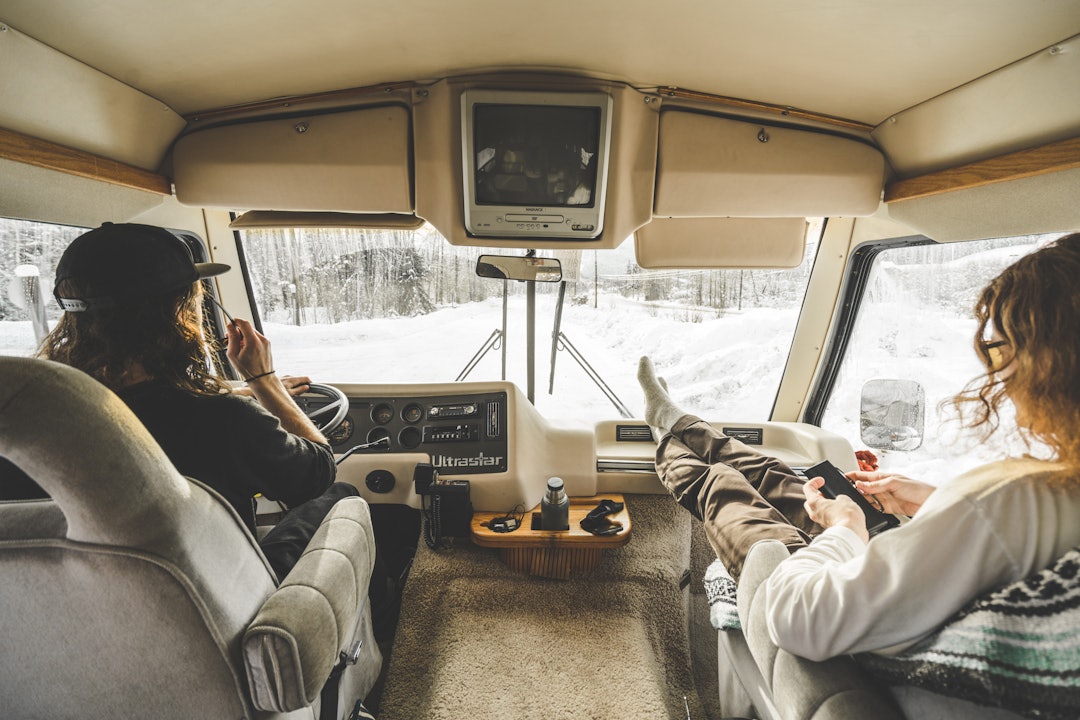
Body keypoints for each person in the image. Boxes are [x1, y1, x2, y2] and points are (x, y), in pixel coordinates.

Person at [638, 231, 1080, 661]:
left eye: (999, 350)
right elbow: (987, 541)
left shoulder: (1016, 501)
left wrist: (846, 527)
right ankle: (678, 424)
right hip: (888, 567)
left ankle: (667, 439)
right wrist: (935, 501)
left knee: (721, 483)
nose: (995, 378)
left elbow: (798, 617)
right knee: (776, 474)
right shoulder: (1053, 497)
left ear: (1054, 362)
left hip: (820, 604)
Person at [32, 221, 358, 580]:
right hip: (226, 607)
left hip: (82, 611)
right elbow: (317, 476)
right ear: (177, 309)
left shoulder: (33, 422)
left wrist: (235, 391)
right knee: (341, 496)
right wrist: (263, 380)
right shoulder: (223, 420)